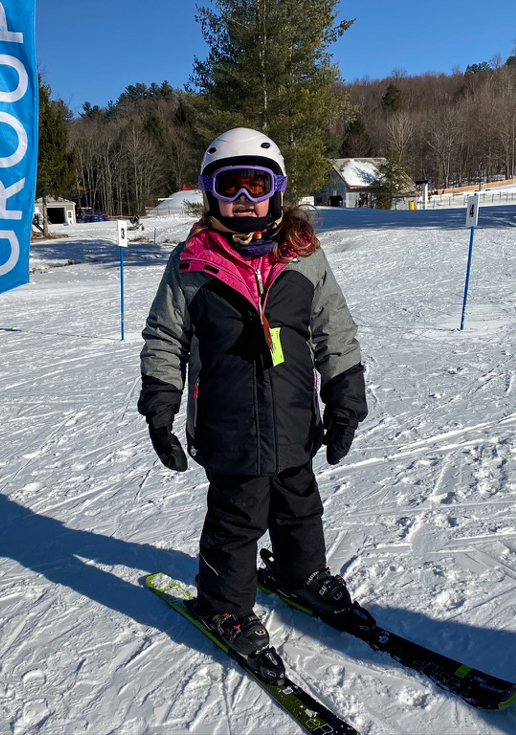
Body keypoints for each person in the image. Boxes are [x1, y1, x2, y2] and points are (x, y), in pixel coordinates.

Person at [137, 128, 369, 676]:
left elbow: (333, 329)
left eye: (256, 186)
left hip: (294, 418)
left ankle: (300, 574)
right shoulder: (192, 262)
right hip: (228, 423)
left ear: (278, 190)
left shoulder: (304, 257)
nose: (244, 200)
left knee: (299, 506)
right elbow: (166, 336)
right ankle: (223, 605)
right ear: (210, 193)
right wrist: (161, 404)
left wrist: (344, 396)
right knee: (237, 518)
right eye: (229, 187)